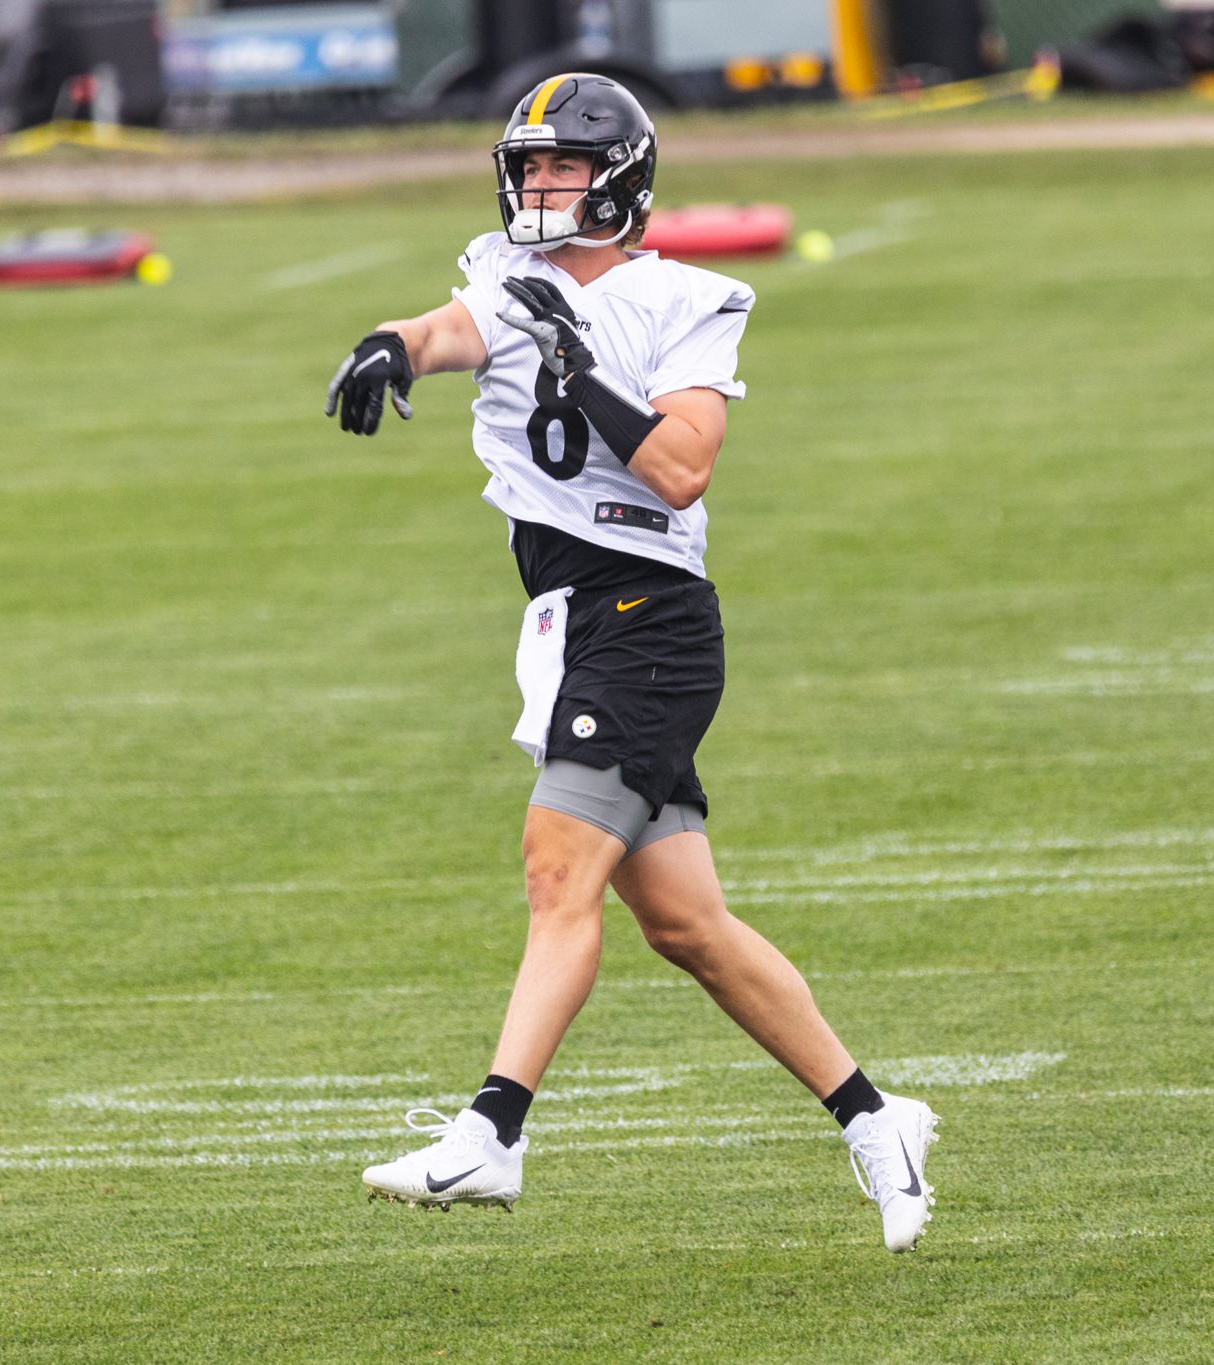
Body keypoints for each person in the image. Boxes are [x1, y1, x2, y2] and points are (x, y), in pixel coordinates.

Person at [323, 73, 939, 1253]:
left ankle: (490, 1134)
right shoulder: (511, 282)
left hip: (646, 611)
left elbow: (682, 467)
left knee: (557, 872)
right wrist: (389, 346)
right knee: (685, 925)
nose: (534, 185)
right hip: (572, 617)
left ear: (617, 180)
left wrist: (580, 373)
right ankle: (875, 1118)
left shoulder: (688, 299)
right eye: (527, 165)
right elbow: (453, 327)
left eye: (556, 166)